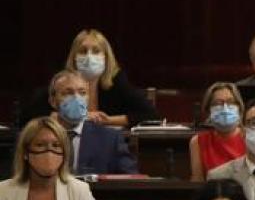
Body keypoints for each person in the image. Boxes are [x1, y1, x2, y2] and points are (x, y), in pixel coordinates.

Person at [21, 29, 159, 128]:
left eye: (96, 51)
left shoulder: (116, 82)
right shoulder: (63, 82)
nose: (89, 56)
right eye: (82, 51)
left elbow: (151, 115)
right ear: (74, 58)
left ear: (106, 57)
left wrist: (107, 120)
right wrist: (62, 117)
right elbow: (27, 113)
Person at [0, 116, 98, 200]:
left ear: (64, 153)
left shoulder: (80, 192)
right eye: (40, 145)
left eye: (56, 145)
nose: (49, 151)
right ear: (25, 152)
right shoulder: (3, 192)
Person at [48, 70, 138, 175]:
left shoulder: (110, 138)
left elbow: (131, 179)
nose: (76, 98)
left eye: (82, 93)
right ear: (53, 101)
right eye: (68, 93)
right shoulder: (39, 137)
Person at [189, 82, 247, 182]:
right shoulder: (198, 141)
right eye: (218, 103)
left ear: (239, 107)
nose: (225, 108)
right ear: (208, 111)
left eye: (231, 102)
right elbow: (197, 180)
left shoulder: (251, 136)